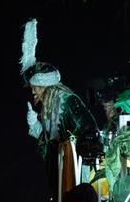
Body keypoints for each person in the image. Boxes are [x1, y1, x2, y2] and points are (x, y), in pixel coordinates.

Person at [20, 18, 97, 192]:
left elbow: (88, 128)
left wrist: (71, 146)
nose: (33, 92)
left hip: (75, 173)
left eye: (36, 87)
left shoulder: (67, 100)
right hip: (60, 173)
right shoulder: (48, 108)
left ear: (46, 86)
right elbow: (49, 143)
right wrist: (35, 125)